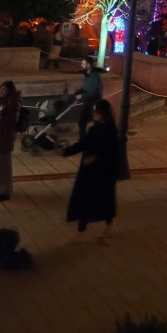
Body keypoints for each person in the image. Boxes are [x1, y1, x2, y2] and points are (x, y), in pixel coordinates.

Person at [62, 98, 119, 235]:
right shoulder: (95, 129)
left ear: (102, 113)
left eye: (97, 112)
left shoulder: (110, 131)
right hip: (90, 171)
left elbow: (110, 151)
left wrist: (95, 157)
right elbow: (84, 143)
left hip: (102, 171)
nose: (94, 114)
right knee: (86, 197)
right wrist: (66, 151)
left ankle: (108, 222)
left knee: (102, 197)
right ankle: (82, 226)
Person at [0, 80, 22, 202]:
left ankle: (4, 192)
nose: (1, 92)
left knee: (4, 166)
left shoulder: (13, 102)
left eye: (4, 90)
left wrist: (2, 113)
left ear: (9, 91)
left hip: (5, 137)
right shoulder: (3, 100)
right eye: (1, 89)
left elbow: (12, 119)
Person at [75, 57, 103, 140]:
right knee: (85, 122)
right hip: (88, 101)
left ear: (88, 65)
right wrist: (79, 91)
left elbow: (93, 91)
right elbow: (86, 88)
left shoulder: (94, 76)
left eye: (83, 64)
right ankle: (85, 140)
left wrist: (82, 95)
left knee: (83, 122)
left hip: (92, 102)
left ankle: (84, 140)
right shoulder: (88, 75)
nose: (81, 65)